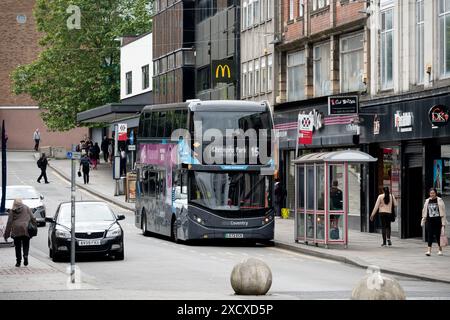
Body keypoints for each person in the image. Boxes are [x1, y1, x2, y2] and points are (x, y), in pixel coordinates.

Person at [3, 199, 37, 267]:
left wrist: (6, 235)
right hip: (25, 229)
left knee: (17, 246)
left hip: (16, 230)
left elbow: (9, 223)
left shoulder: (12, 211)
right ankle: (25, 255)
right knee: (26, 244)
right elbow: (33, 218)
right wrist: (34, 225)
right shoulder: (26, 207)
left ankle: (18, 262)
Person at [421, 188, 448, 256]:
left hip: (438, 221)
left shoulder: (439, 200)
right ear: (429, 194)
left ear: (436, 193)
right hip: (429, 220)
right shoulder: (427, 201)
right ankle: (428, 251)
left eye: (433, 193)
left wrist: (443, 223)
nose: (432, 194)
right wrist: (423, 220)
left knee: (438, 235)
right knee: (430, 235)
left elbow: (443, 212)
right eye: (431, 193)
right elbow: (424, 211)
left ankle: (440, 250)